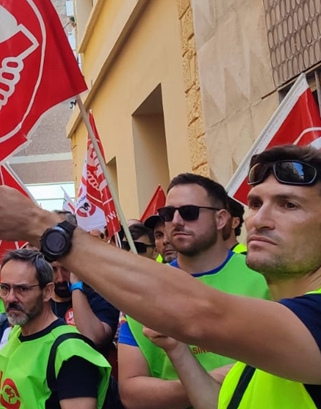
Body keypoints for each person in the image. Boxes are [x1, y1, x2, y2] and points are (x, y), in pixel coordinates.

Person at [0, 145, 321, 409]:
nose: (260, 219)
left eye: (288, 205)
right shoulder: (285, 317)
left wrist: (44, 226)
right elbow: (217, 402)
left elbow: (201, 313)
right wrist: (179, 352)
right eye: (258, 203)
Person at [112, 174, 270, 409]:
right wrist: (209, 382)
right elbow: (131, 393)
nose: (176, 221)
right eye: (168, 214)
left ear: (221, 219)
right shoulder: (144, 290)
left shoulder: (265, 279)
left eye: (189, 212)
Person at [0, 249, 112, 409]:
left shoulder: (70, 353)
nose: (10, 298)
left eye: (22, 289)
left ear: (47, 292)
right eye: (4, 288)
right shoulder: (16, 334)